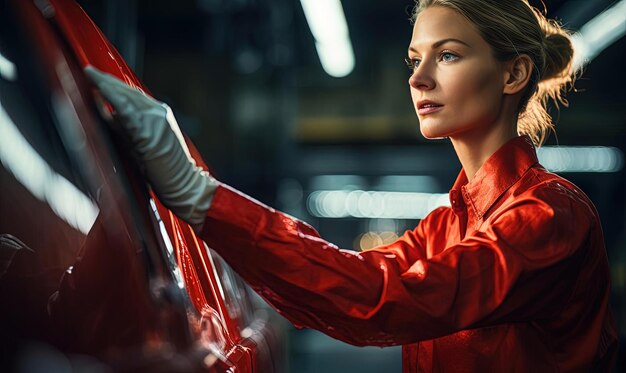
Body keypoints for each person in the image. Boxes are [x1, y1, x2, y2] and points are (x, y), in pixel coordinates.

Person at [85, 0, 618, 371]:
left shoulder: (551, 217)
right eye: (415, 59)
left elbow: (381, 301)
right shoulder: (445, 225)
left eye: (448, 55)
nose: (417, 77)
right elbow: (351, 279)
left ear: (513, 74)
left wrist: (202, 196)